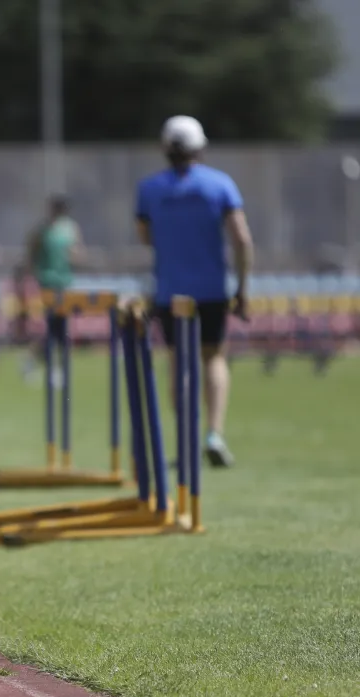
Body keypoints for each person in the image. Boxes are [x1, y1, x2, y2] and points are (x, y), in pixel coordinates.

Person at [135, 115, 254, 467]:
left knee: (178, 362)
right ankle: (214, 434)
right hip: (212, 289)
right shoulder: (220, 185)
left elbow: (146, 237)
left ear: (165, 148)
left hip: (170, 291)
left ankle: (186, 439)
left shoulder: (150, 189)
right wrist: (242, 287)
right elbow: (241, 239)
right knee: (214, 357)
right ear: (200, 147)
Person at [21, 194, 86, 382]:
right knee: (54, 325)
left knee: (59, 327)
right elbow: (31, 253)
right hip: (47, 282)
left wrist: (75, 256)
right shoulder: (43, 230)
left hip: (64, 283)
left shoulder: (71, 229)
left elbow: (78, 253)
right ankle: (52, 367)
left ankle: (42, 362)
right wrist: (31, 274)